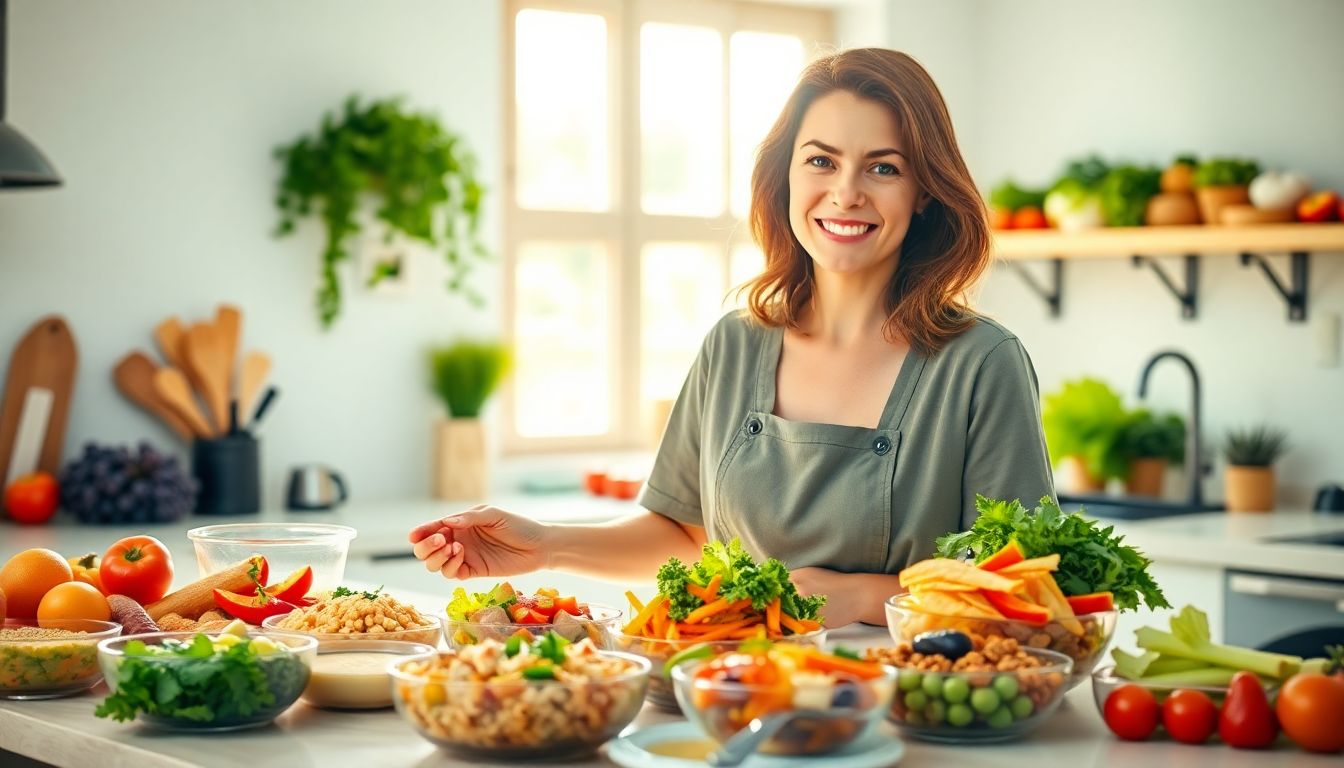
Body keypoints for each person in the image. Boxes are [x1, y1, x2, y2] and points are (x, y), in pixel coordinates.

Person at [409, 48, 1053, 627]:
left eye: (883, 168)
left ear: (923, 193)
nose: (846, 192)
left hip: (904, 704)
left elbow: (1022, 590)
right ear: (787, 179)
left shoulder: (980, 365)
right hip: (729, 693)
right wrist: (547, 545)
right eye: (821, 161)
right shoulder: (735, 344)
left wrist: (861, 597)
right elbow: (687, 538)